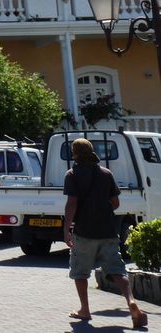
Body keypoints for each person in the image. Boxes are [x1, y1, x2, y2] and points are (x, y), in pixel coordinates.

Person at [63, 137, 147, 328]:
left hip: (84, 232)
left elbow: (72, 203)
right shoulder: (106, 173)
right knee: (118, 270)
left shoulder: (72, 175)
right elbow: (116, 203)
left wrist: (67, 229)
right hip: (108, 231)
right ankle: (131, 301)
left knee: (80, 272)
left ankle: (84, 310)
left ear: (75, 154)